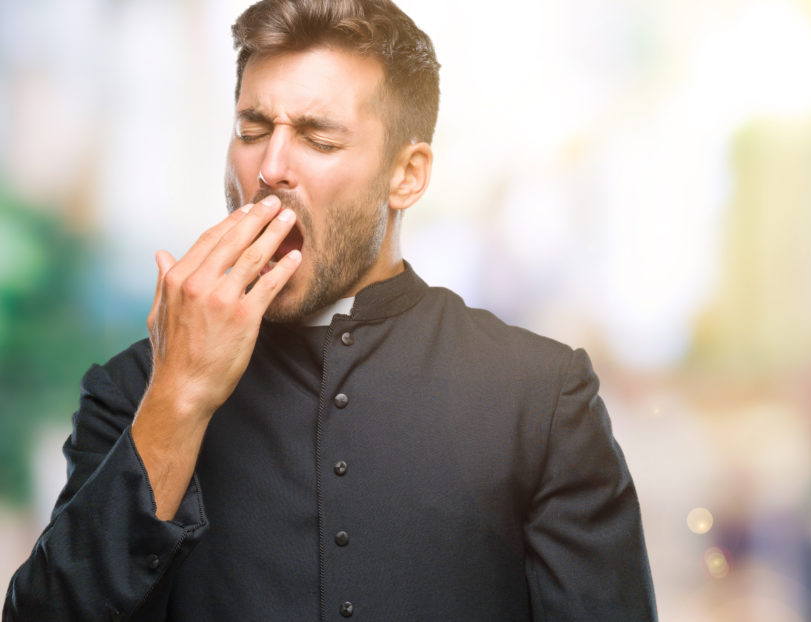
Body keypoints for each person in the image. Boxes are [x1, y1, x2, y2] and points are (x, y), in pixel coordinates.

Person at [3, 0, 657, 619]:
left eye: (317, 137)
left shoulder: (540, 396)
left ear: (407, 175)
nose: (271, 167)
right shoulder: (134, 390)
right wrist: (178, 399)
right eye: (252, 129)